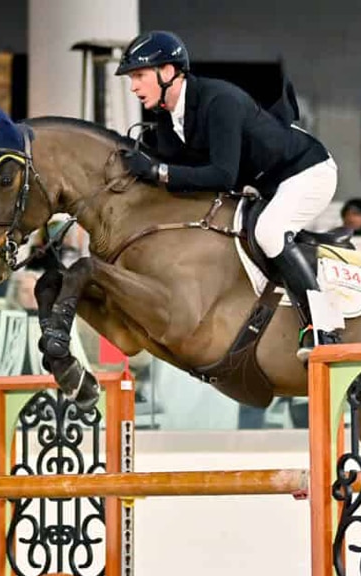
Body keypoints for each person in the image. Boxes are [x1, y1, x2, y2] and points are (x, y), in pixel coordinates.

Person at [113, 30, 341, 361]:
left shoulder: (219, 101)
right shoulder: (167, 118)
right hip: (266, 183)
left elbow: (221, 175)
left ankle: (324, 328)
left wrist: (158, 172)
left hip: (306, 171)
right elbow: (180, 173)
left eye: (139, 76)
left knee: (269, 231)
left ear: (167, 72)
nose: (133, 86)